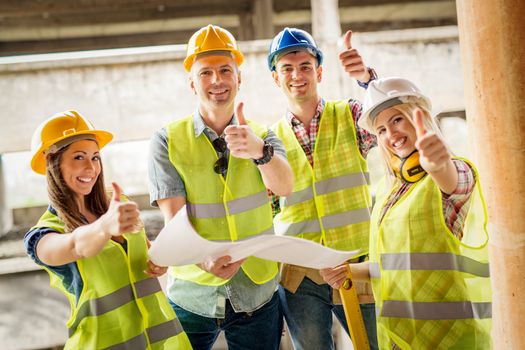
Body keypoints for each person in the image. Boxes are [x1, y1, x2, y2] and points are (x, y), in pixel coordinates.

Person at [148, 24, 293, 350]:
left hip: (257, 290)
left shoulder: (263, 135)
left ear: (238, 79)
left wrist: (259, 152)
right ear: (191, 83)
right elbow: (175, 218)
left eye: (225, 70)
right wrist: (203, 260)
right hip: (193, 292)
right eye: (206, 73)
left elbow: (284, 186)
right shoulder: (167, 141)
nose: (217, 80)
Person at [321, 77, 492, 349]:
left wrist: (438, 164)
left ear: (419, 117)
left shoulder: (456, 173)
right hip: (400, 339)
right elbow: (395, 264)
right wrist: (350, 271)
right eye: (381, 130)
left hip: (452, 338)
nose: (391, 134)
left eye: (398, 120)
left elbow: (451, 179)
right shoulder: (391, 193)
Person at [24, 110, 192, 349]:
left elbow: (140, 252)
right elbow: (75, 246)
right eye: (79, 157)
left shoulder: (117, 202)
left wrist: (157, 259)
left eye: (95, 157)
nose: (91, 168)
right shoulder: (42, 235)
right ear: (52, 162)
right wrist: (104, 227)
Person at [267, 27, 379, 349]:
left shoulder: (351, 115)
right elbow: (269, 207)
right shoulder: (269, 141)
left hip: (355, 263)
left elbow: (390, 118)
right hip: (299, 276)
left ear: (319, 72)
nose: (296, 75)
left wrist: (367, 79)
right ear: (276, 78)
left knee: (375, 345)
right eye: (286, 68)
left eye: (304, 66)